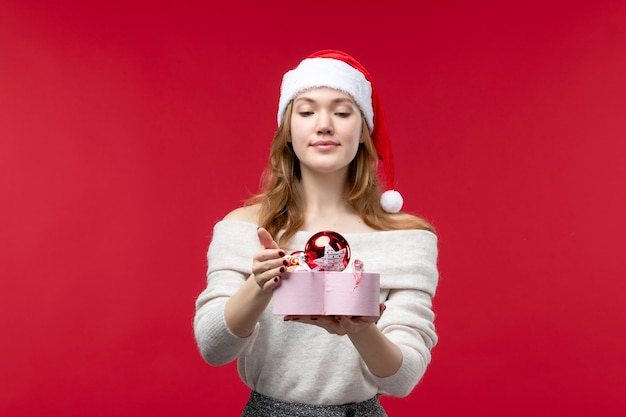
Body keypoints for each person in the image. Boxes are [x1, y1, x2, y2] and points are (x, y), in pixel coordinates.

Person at [193, 49, 439, 416]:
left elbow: (402, 379)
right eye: (306, 112)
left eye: (342, 112)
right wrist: (258, 285)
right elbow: (213, 348)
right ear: (288, 132)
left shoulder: (408, 239)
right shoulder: (244, 228)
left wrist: (360, 329)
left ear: (363, 131)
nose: (324, 124)